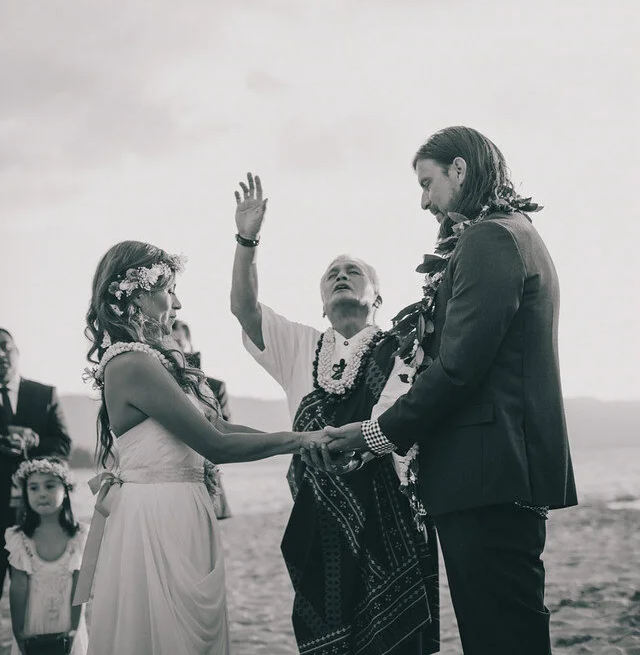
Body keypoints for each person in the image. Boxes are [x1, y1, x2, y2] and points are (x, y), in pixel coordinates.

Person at [322, 127, 578, 655]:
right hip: (497, 472)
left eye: (427, 183)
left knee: (501, 636)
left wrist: (374, 433)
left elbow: (459, 368)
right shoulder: (514, 234)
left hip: (487, 473)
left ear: (459, 169)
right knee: (507, 631)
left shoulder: (491, 239)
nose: (424, 202)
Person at [77, 240, 329, 655]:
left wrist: (301, 439)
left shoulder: (155, 360)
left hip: (184, 506)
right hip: (158, 513)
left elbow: (221, 427)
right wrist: (300, 441)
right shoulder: (131, 364)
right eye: (169, 289)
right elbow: (216, 446)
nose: (177, 303)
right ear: (137, 295)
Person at [231, 174, 439, 655]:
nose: (341, 275)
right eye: (332, 274)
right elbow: (244, 308)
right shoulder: (299, 345)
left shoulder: (405, 348)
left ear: (378, 298)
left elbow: (402, 422)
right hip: (319, 520)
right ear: (322, 304)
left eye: (353, 271)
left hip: (393, 521)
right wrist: (247, 241)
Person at [0, 329, 72, 598]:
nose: (0, 354)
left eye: (5, 346)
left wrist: (31, 443)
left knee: (36, 596)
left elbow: (63, 444)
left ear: (17, 352)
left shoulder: (44, 394)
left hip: (36, 516)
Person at [6, 456, 87, 654]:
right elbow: (17, 588)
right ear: (25, 493)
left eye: (50, 486)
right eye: (33, 488)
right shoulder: (20, 539)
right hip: (32, 624)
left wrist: (73, 629)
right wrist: (19, 632)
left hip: (69, 622)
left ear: (65, 491)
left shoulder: (78, 536)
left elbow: (80, 587)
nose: (42, 494)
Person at [171, 320, 233, 518]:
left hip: (206, 472)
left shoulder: (214, 386)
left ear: (189, 344)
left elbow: (224, 430)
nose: (176, 348)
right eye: (171, 342)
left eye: (179, 343)